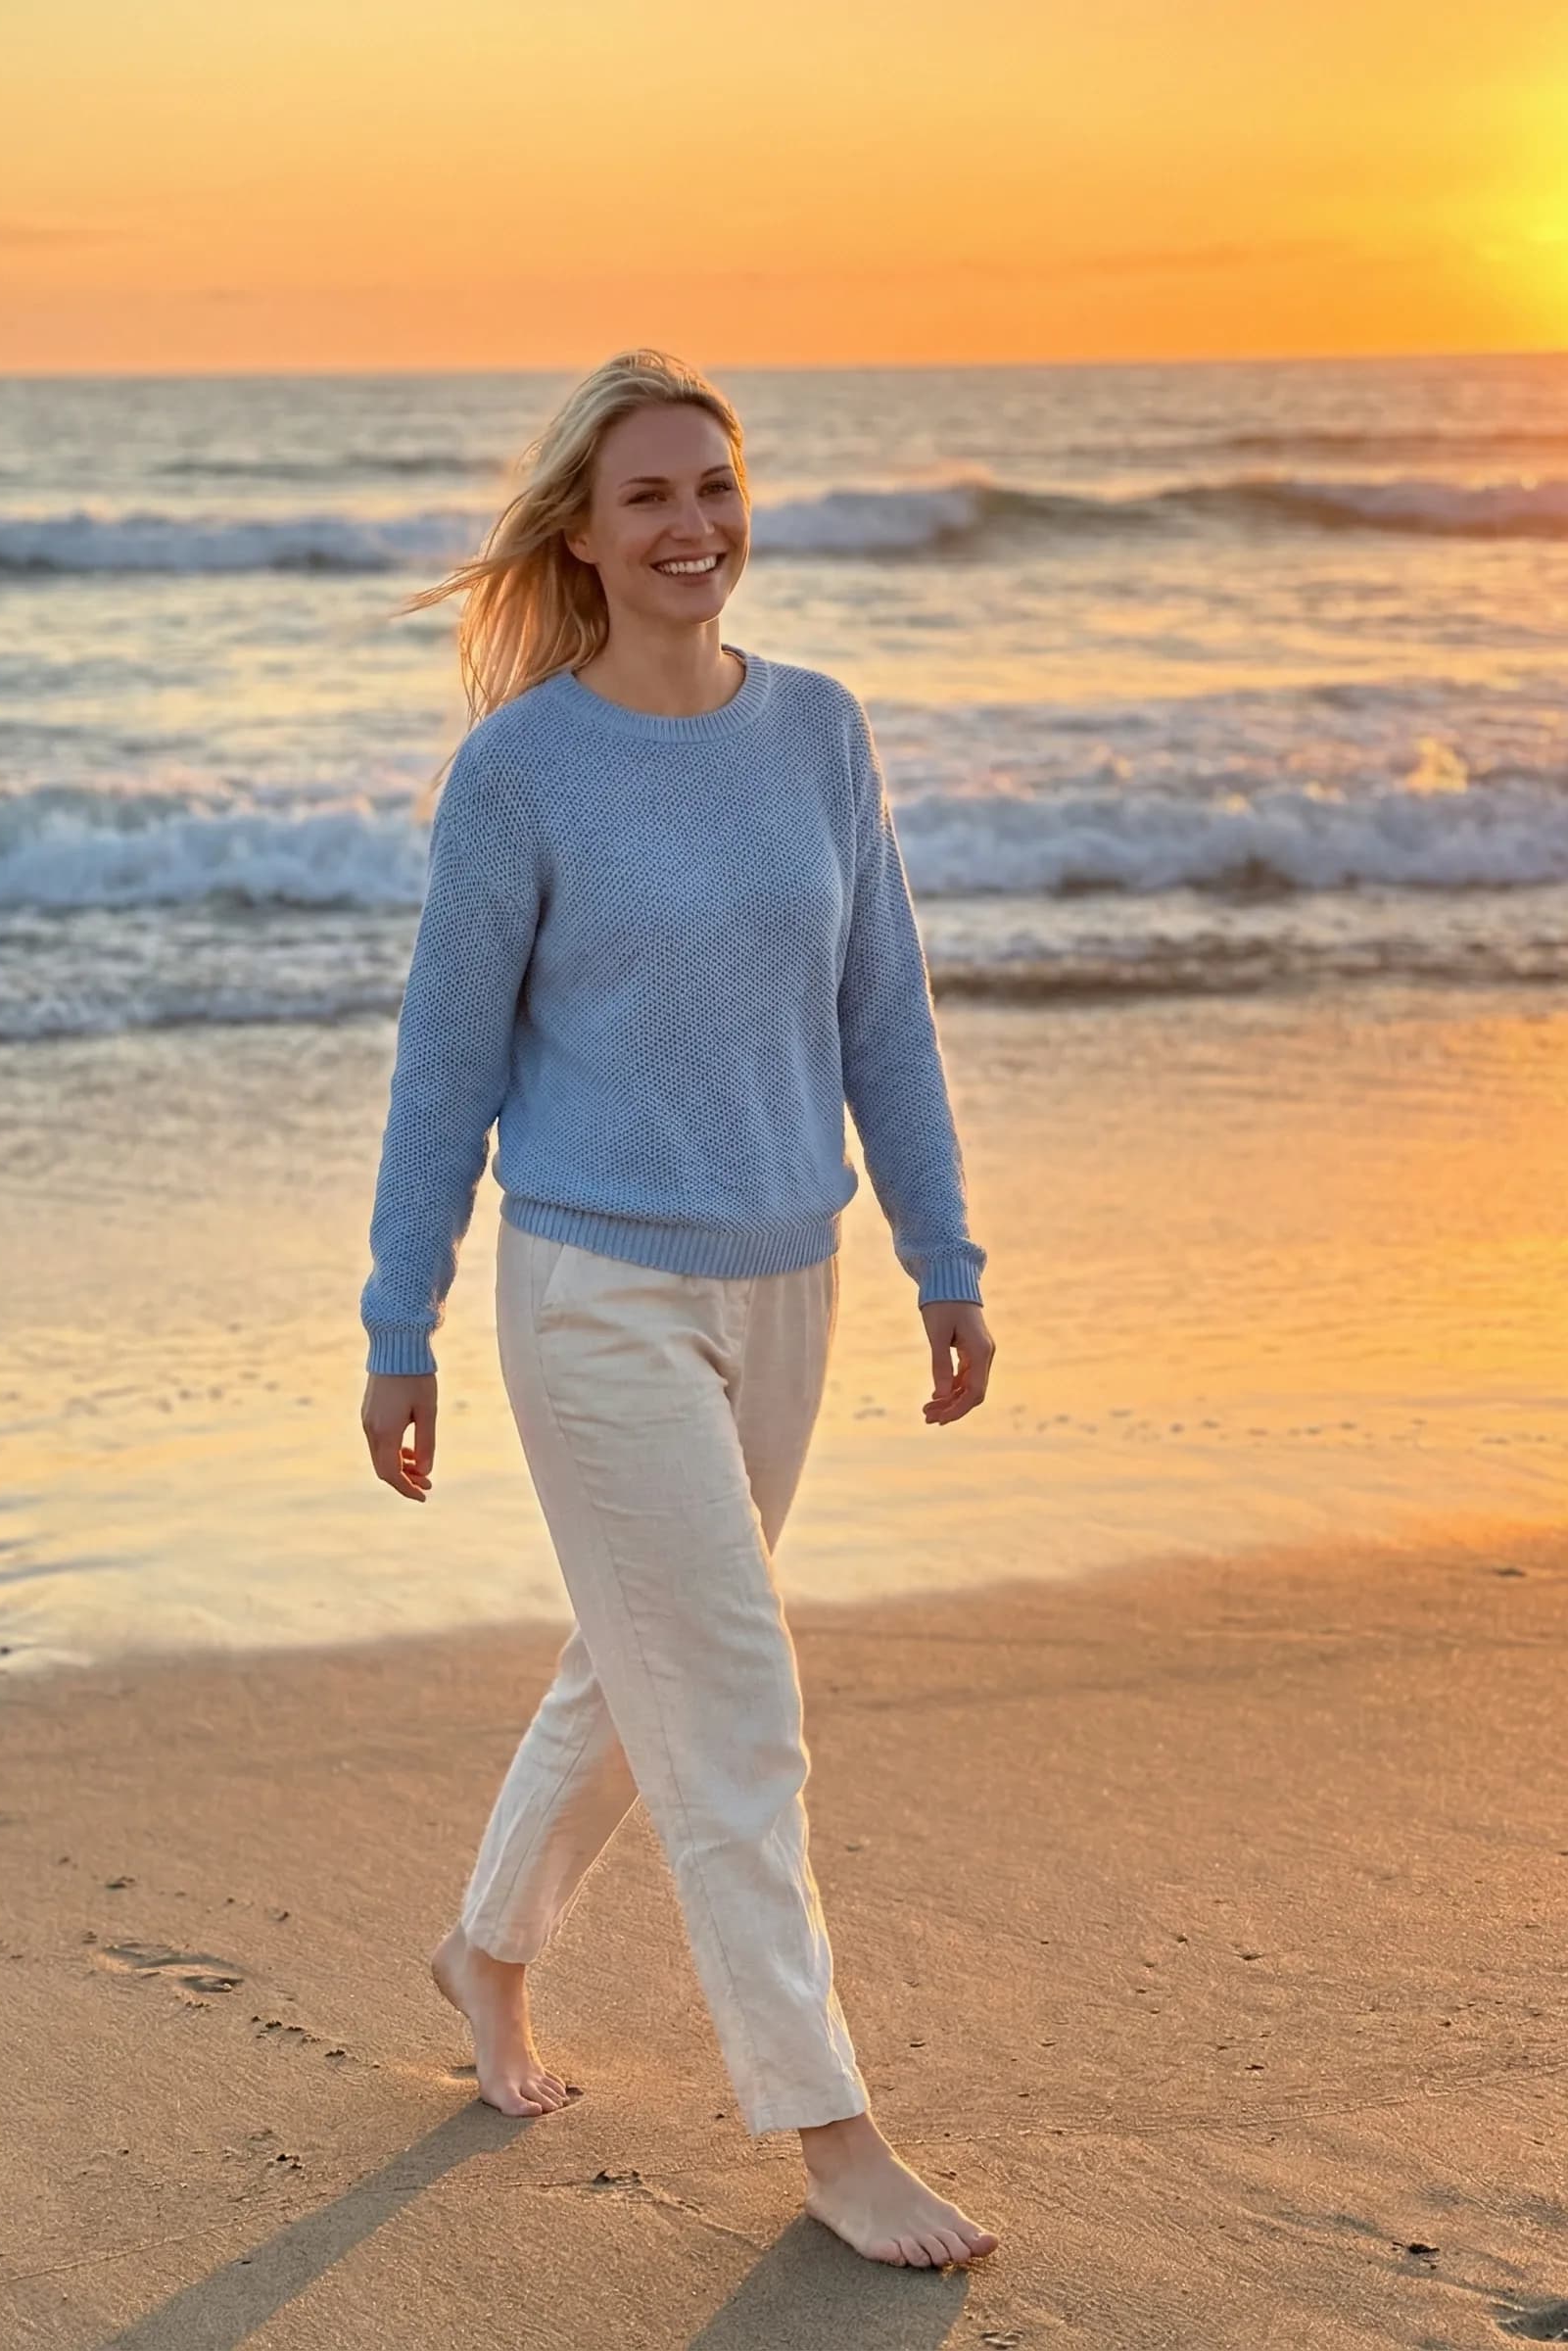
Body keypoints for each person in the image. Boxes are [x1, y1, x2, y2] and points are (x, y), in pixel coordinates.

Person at [358, 348, 999, 2271]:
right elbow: (440, 1066)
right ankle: (829, 2135)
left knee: (632, 1672)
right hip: (591, 1299)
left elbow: (879, 1011)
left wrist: (940, 1257)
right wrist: (400, 1322)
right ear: (580, 529)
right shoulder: (520, 770)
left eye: (713, 485)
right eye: (646, 495)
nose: (690, 525)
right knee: (730, 1715)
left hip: (781, 1279)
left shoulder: (819, 731)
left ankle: (482, 1950)